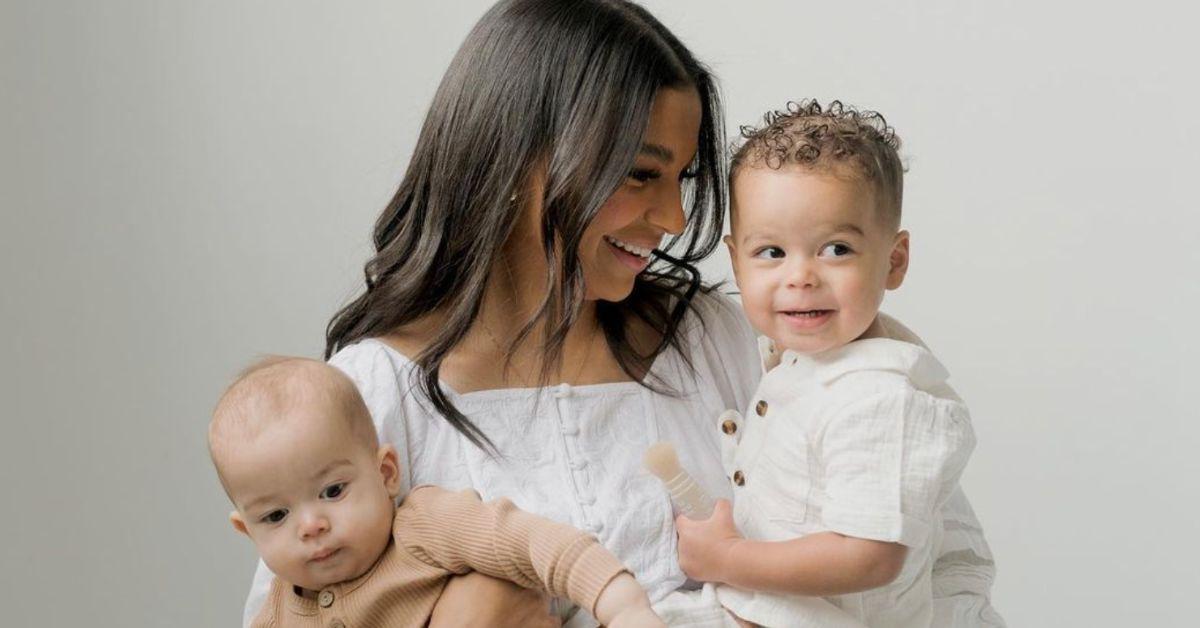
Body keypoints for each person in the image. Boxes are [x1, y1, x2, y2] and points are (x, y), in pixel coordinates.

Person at [243, 2, 999, 625]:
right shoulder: (371, 397)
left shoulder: (725, 342)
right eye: (641, 174)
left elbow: (940, 558)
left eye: (683, 178)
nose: (673, 216)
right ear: (518, 159)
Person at [674, 100, 1005, 627]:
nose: (800, 276)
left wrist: (728, 559)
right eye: (772, 253)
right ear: (736, 261)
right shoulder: (806, 363)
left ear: (893, 261)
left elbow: (869, 554)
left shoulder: (880, 397)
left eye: (835, 249)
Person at [212, 357, 665, 627]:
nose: (311, 526)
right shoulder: (275, 615)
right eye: (275, 517)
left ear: (387, 472)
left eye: (332, 490)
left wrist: (622, 604)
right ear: (246, 531)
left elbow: (534, 543)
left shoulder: (425, 528)